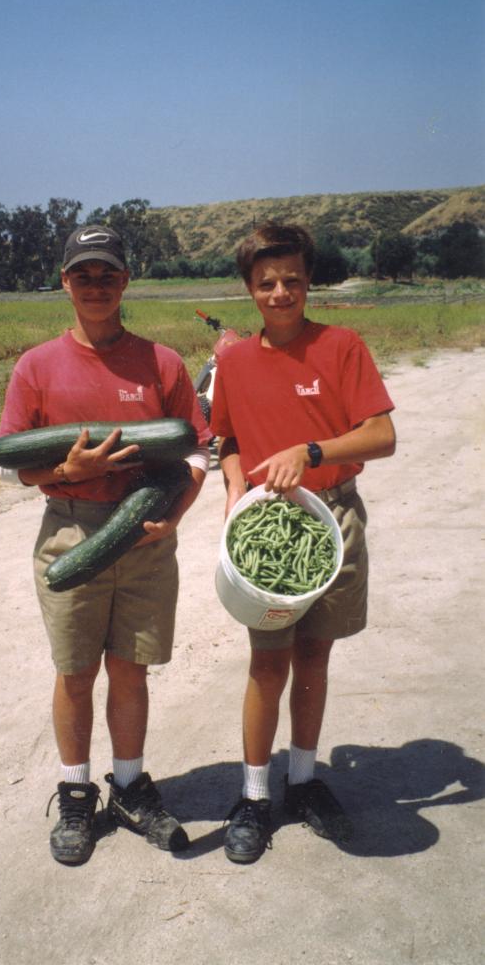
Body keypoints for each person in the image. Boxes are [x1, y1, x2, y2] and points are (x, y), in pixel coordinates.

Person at [0, 224, 212, 865]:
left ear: (126, 280)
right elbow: (10, 461)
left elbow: (195, 447)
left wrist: (176, 514)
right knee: (75, 672)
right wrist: (68, 472)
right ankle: (73, 791)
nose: (96, 285)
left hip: (146, 529)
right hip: (71, 527)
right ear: (64, 281)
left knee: (130, 670)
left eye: (108, 273)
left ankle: (129, 784)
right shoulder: (36, 365)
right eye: (83, 274)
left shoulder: (163, 363)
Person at [210, 222, 396, 864]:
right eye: (267, 283)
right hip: (268, 520)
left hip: (332, 519)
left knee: (315, 657)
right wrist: (235, 488)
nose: (281, 292)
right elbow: (225, 440)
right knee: (268, 662)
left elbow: (381, 435)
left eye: (292, 279)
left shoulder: (342, 346)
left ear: (308, 279)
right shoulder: (232, 361)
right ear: (249, 289)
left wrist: (312, 450)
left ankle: (305, 780)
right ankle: (255, 794)